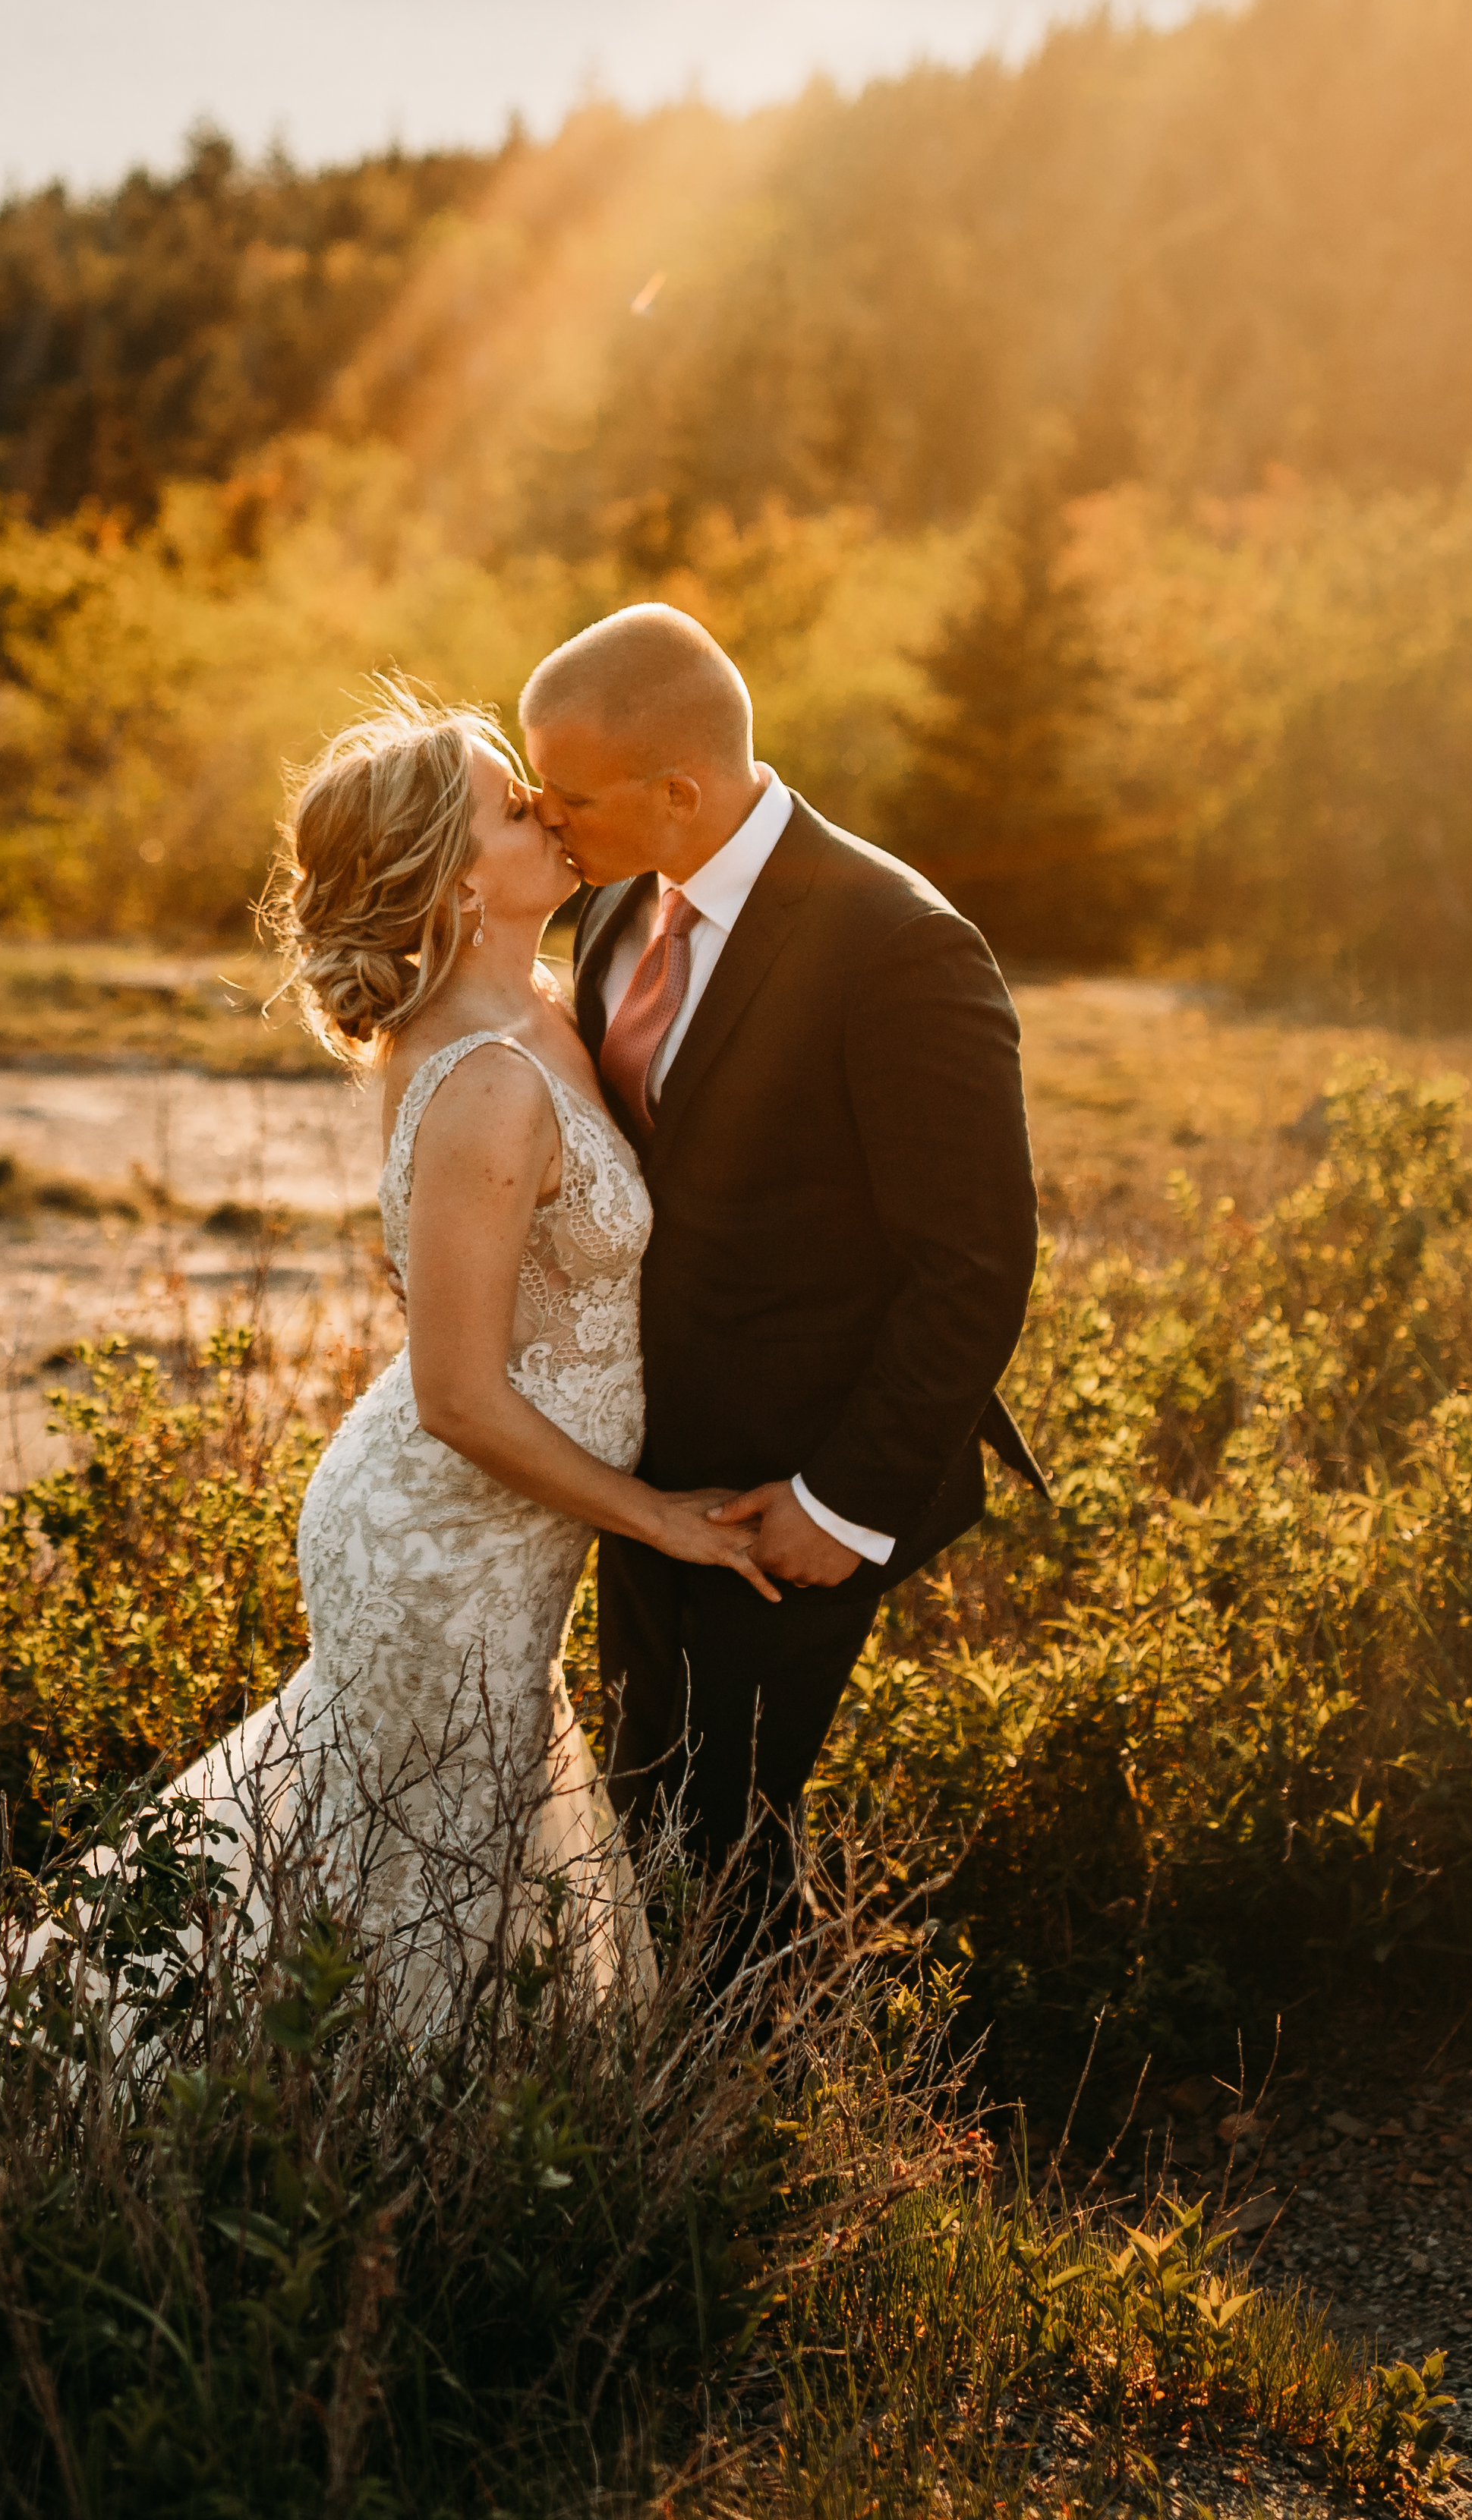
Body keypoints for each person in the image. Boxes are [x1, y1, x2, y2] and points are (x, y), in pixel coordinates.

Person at [0, 681, 773, 2040]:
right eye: (509, 803)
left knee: (415, 1864)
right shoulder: (483, 1073)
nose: (544, 808)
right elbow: (459, 1393)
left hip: (491, 1533)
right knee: (414, 1887)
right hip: (443, 1542)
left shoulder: (545, 995)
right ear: (446, 878)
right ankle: (311, 2150)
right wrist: (656, 1519)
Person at [520, 601, 1040, 1984]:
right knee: (651, 1816)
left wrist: (841, 1506)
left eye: (567, 794)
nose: (540, 816)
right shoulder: (617, 907)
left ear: (677, 790)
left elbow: (974, 1264)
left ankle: (736, 2153)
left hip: (796, 1490)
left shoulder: (897, 944)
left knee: (721, 1835)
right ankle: (696, 2107)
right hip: (646, 1474)